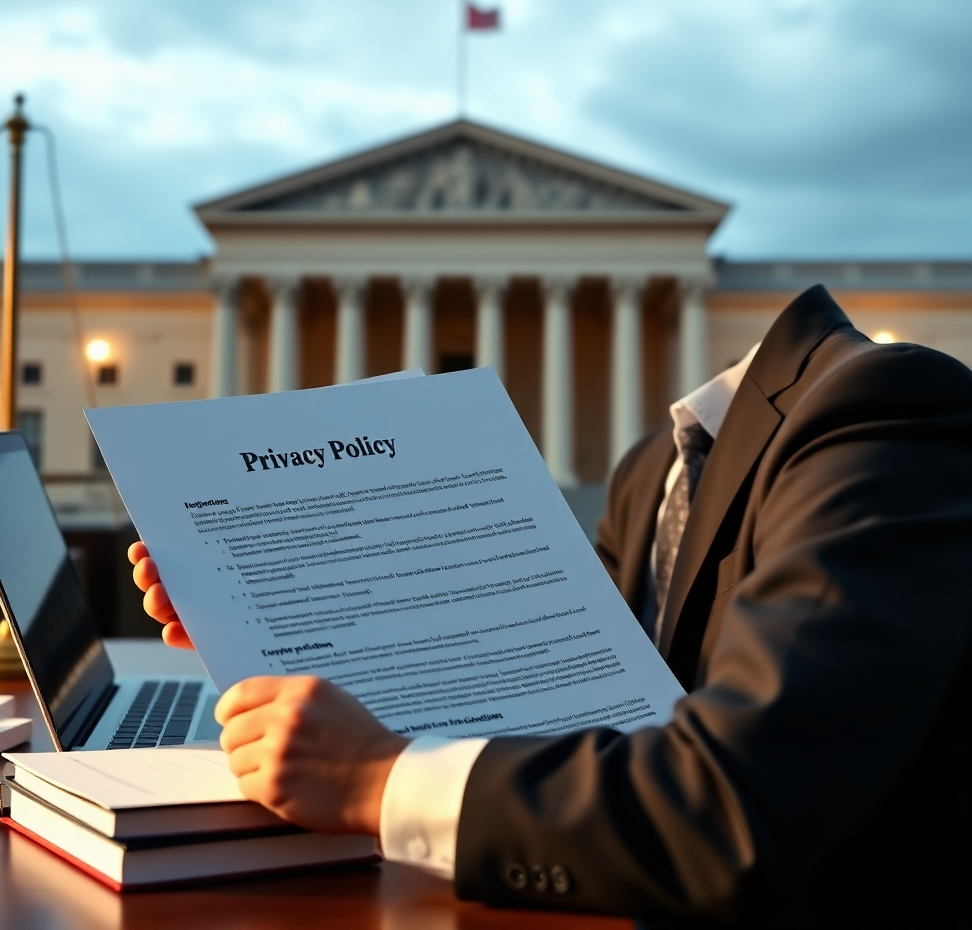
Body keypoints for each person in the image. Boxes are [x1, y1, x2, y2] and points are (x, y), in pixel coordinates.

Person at [129, 285, 972, 926]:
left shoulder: (883, 404)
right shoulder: (655, 472)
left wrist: (375, 777)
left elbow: (735, 808)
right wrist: (280, 618)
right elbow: (549, 706)